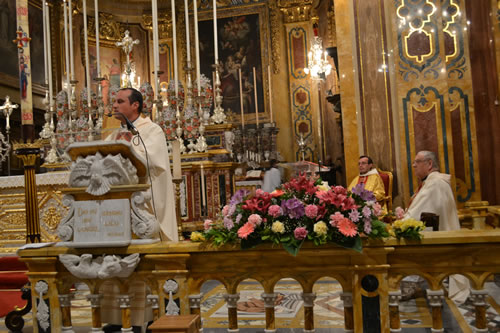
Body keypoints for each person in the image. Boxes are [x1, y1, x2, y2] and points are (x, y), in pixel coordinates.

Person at [102, 88, 178, 332]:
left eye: (120, 101)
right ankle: (114, 320)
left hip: (142, 207)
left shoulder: (151, 130)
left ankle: (143, 320)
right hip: (117, 209)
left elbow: (152, 161)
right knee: (113, 261)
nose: (114, 105)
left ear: (135, 105)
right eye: (114, 101)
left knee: (141, 264)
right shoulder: (115, 133)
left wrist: (129, 147)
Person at [403, 150, 469, 303]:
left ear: (429, 164)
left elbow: (418, 213)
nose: (413, 165)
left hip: (439, 239)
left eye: (417, 162)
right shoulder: (432, 182)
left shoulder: (435, 183)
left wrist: (402, 221)